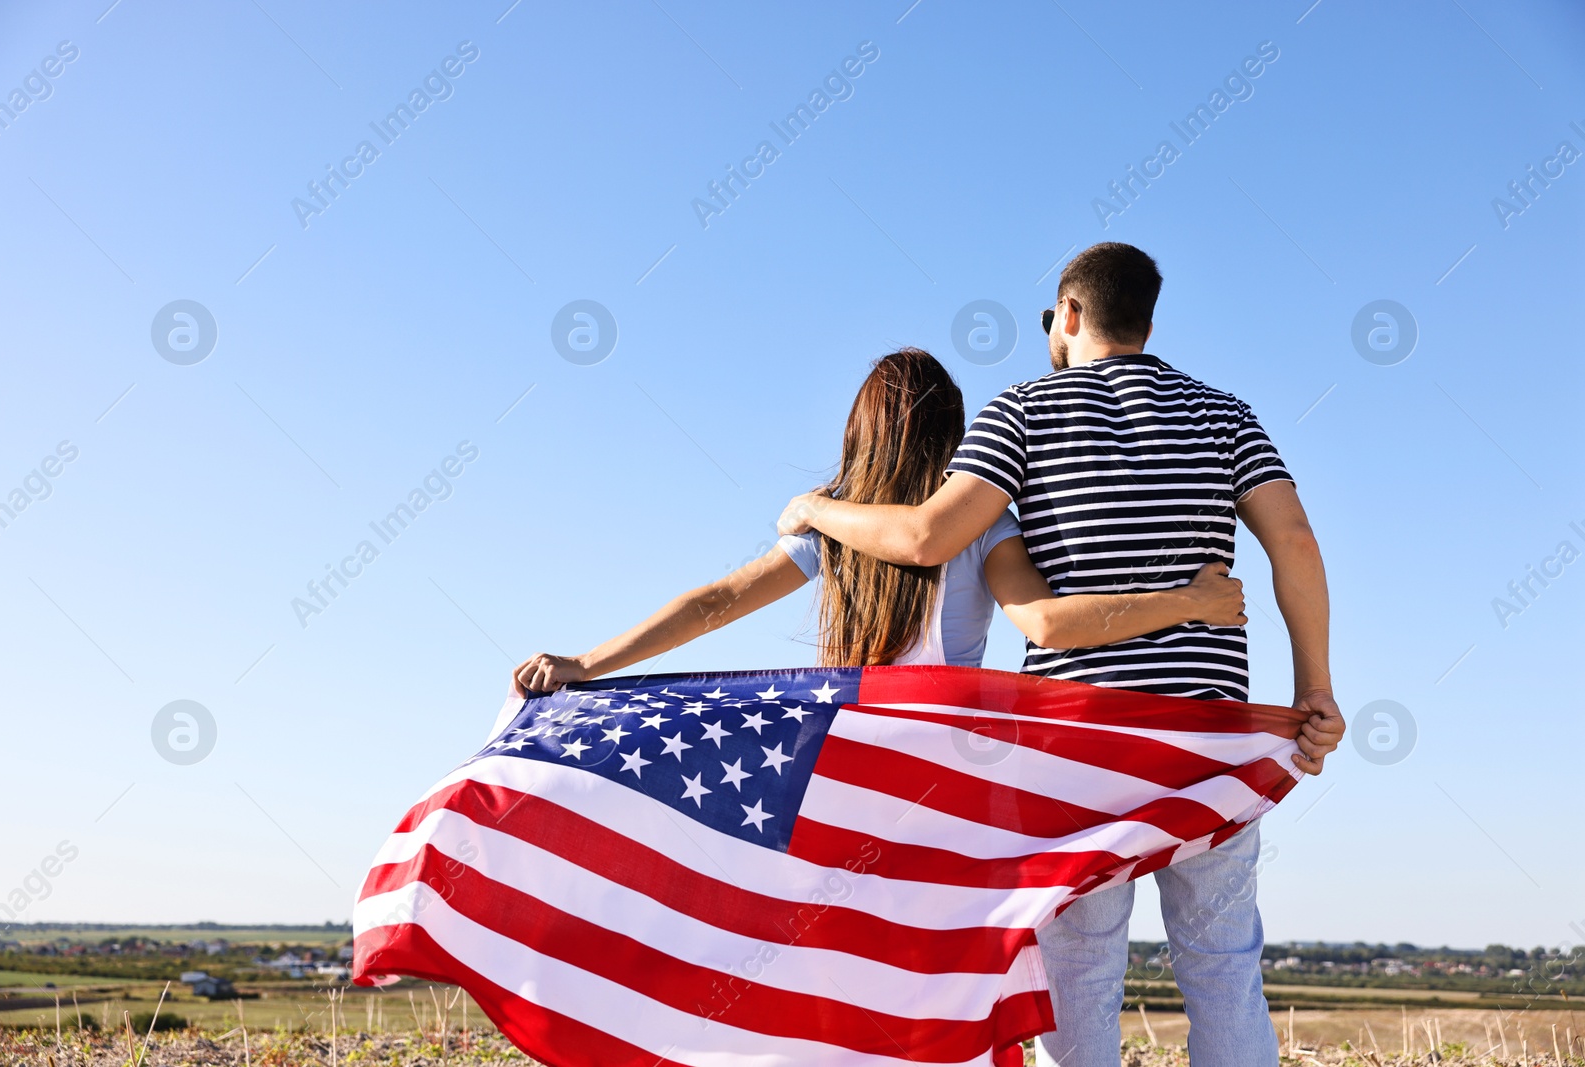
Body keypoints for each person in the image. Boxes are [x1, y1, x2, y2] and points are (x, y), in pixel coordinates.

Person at [775, 244, 1345, 1067]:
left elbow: (926, 535)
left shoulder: (1021, 411)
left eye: (1051, 321)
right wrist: (1315, 688)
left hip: (1079, 736)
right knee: (1222, 965)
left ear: (1070, 314)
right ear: (1146, 322)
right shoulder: (1225, 413)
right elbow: (1294, 539)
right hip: (1211, 730)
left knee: (1077, 970)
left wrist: (814, 510)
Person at [515, 348, 1247, 693]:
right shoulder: (988, 527)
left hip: (847, 752)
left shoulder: (831, 527)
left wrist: (587, 664)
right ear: (957, 438)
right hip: (945, 766)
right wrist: (1191, 602)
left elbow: (714, 604)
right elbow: (1048, 625)